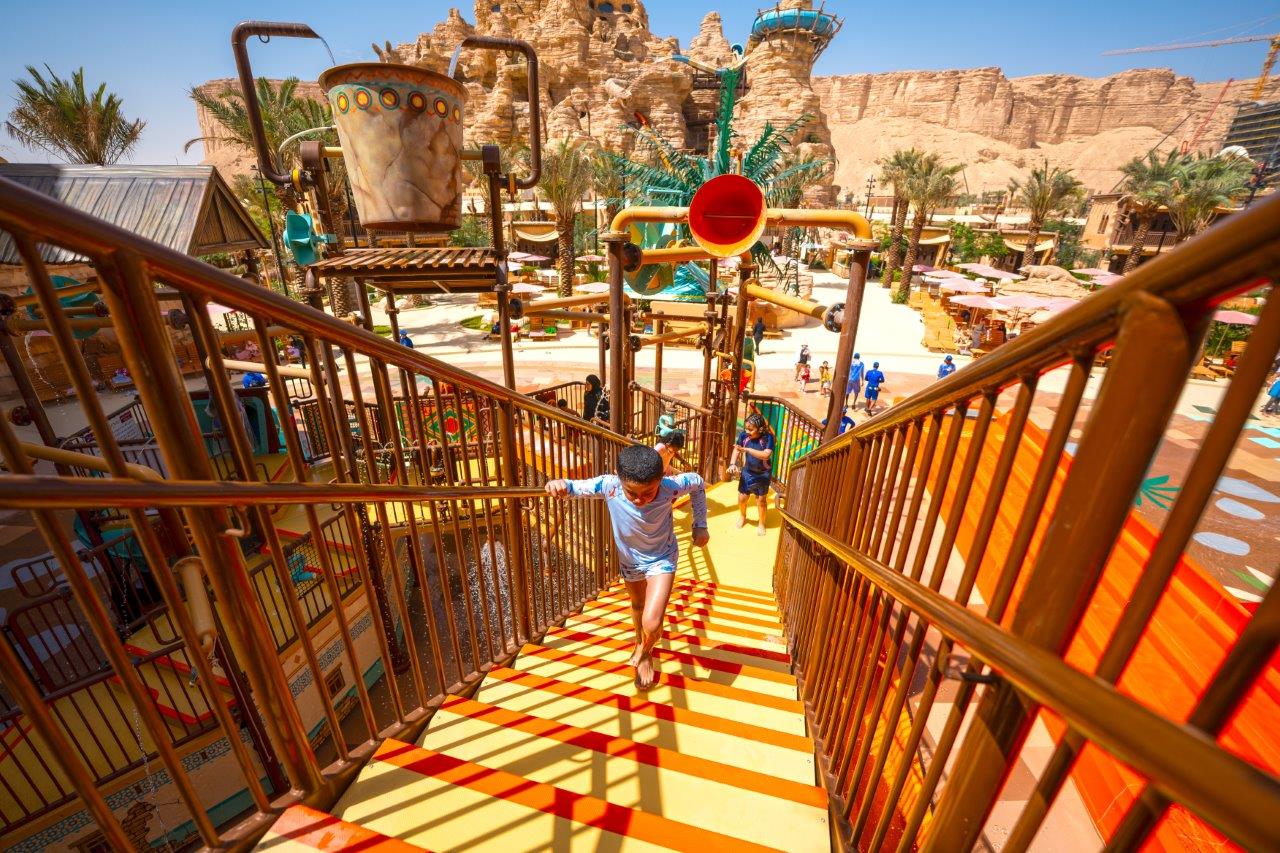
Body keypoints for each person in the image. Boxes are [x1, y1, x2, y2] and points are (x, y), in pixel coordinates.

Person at [546, 445, 709, 688]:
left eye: (648, 492)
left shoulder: (670, 487)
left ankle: (646, 652)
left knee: (652, 621)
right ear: (618, 477)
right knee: (638, 604)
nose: (640, 500)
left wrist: (700, 523)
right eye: (632, 493)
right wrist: (558, 484)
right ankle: (638, 641)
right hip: (630, 559)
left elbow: (697, 482)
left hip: (662, 557)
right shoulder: (609, 486)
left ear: (660, 480)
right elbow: (574, 488)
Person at [728, 413, 774, 537]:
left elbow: (766, 455)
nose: (747, 431)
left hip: (762, 474)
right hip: (747, 472)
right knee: (742, 498)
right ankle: (743, 516)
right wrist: (732, 463)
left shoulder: (768, 438)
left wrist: (747, 450)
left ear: (759, 429)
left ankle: (761, 523)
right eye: (746, 428)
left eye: (750, 429)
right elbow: (737, 448)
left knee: (761, 501)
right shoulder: (744, 436)